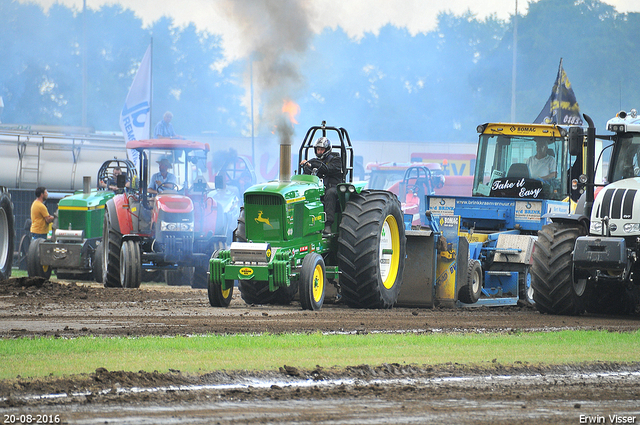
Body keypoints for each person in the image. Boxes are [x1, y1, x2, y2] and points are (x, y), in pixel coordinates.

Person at [301, 136, 342, 235]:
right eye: (318, 149)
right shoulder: (313, 161)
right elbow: (306, 174)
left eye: (321, 149)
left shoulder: (336, 160)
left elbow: (327, 169)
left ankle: (328, 224)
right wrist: (307, 167)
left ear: (327, 150)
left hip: (333, 188)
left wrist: (311, 165)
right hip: (317, 187)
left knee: (330, 193)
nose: (319, 152)